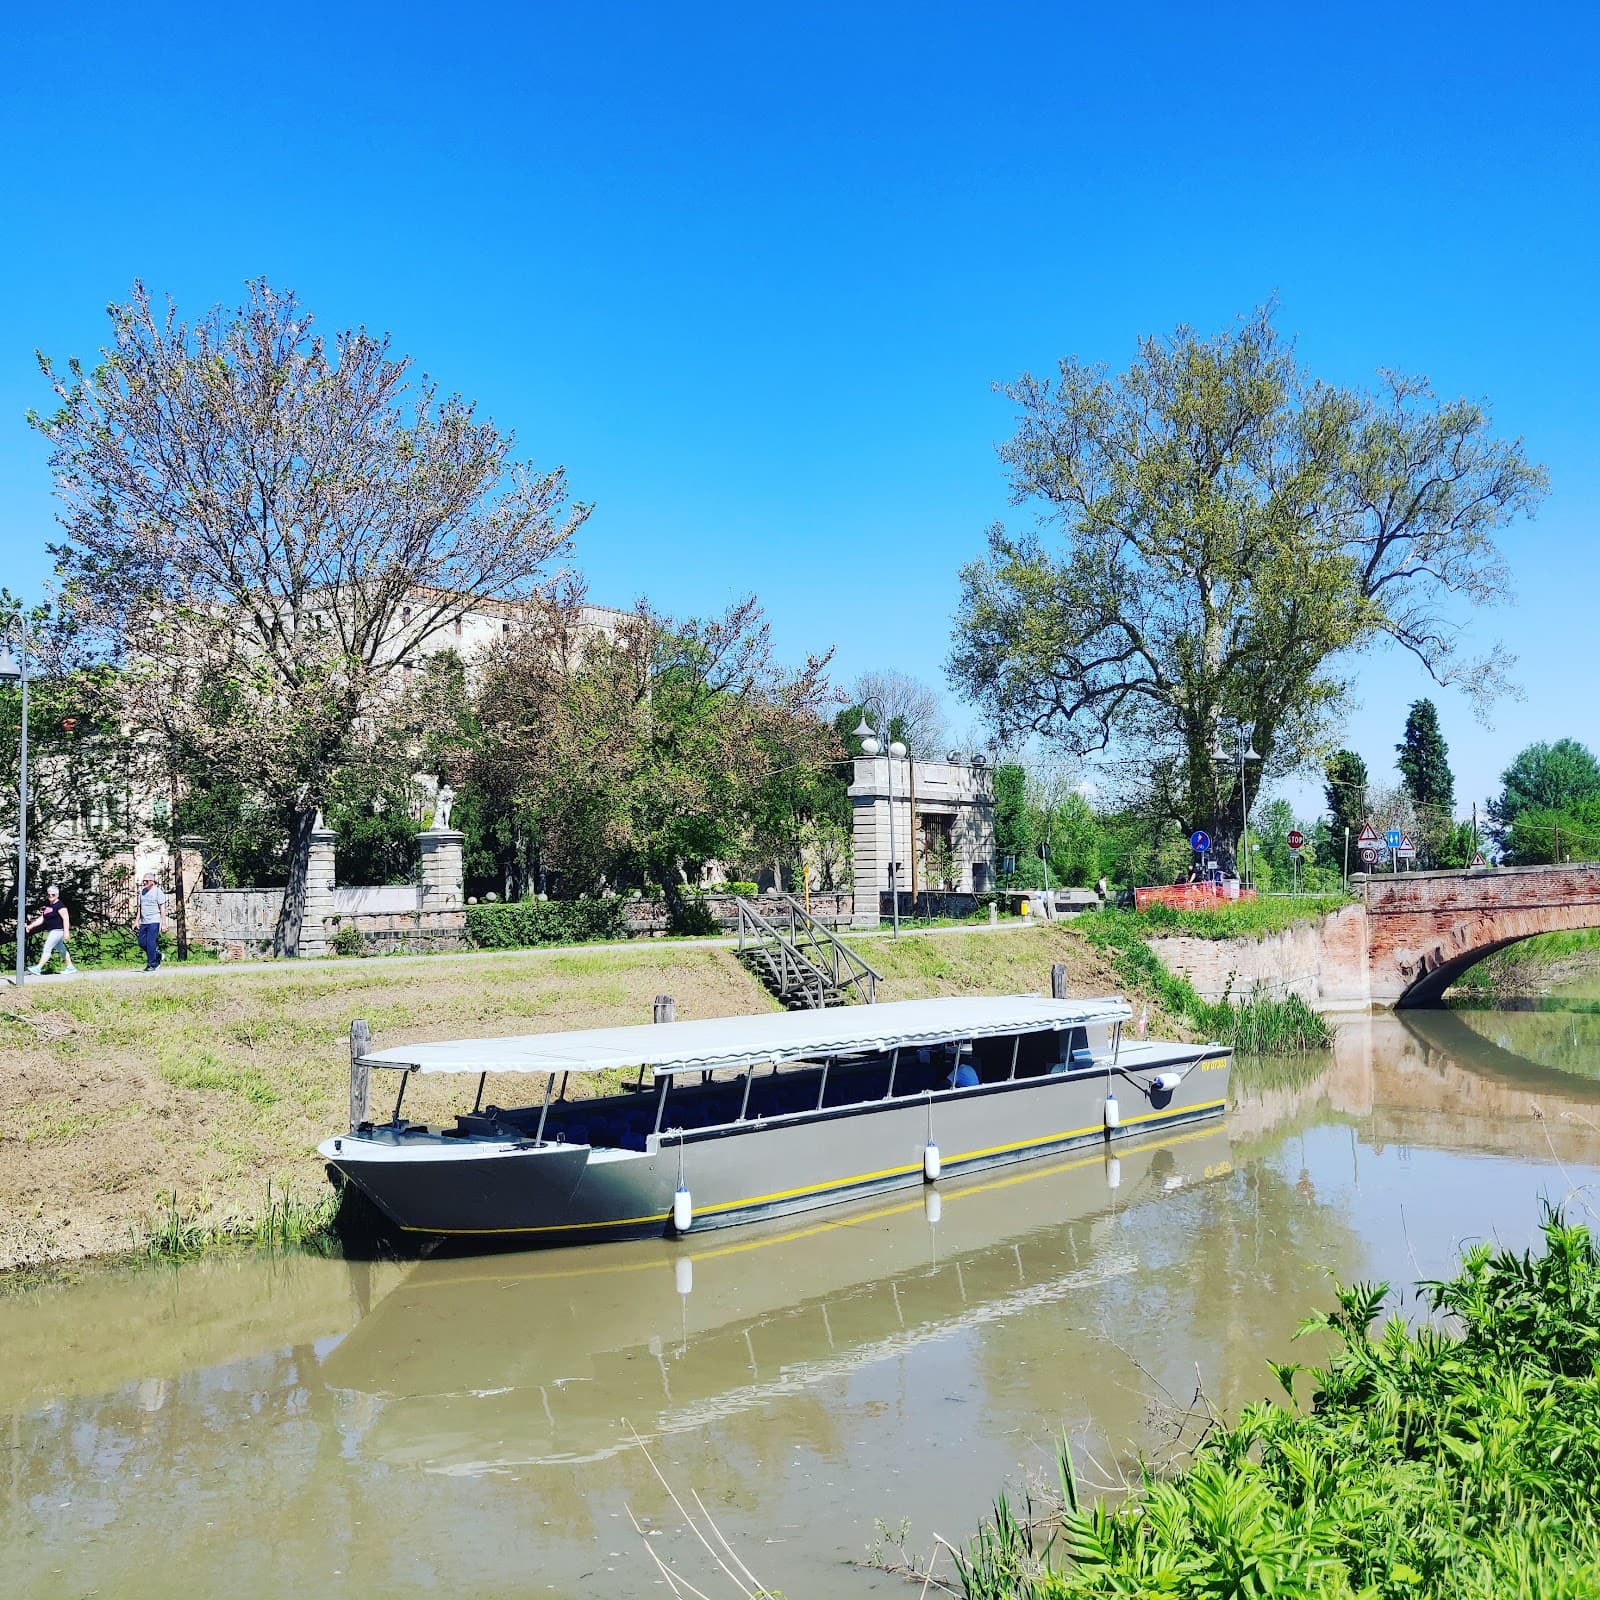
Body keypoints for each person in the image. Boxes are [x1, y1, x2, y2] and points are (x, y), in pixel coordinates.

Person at [25, 884, 77, 977]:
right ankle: (70, 967)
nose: (50, 896)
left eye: (53, 894)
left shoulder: (60, 906)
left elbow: (66, 918)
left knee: (47, 948)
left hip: (58, 930)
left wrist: (66, 932)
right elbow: (42, 918)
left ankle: (38, 968)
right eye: (49, 894)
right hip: (52, 930)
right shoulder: (49, 906)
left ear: (57, 895)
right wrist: (31, 926)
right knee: (61, 949)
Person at [135, 872, 167, 971]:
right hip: (144, 922)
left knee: (150, 942)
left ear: (152, 882)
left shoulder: (158, 892)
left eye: (147, 880)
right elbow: (140, 908)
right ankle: (157, 954)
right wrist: (136, 921)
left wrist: (164, 924)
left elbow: (162, 909)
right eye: (143, 880)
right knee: (141, 942)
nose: (144, 882)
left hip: (154, 921)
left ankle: (152, 964)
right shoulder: (142, 892)